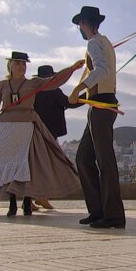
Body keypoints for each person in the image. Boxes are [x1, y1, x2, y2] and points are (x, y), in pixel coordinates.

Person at [0, 51, 84, 216]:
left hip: (27, 127)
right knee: (4, 164)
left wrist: (72, 69)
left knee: (29, 166)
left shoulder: (33, 83)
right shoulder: (2, 85)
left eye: (23, 64)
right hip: (5, 128)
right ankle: (12, 204)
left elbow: (53, 81)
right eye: (17, 63)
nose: (21, 66)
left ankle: (27, 202)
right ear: (10, 66)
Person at [68, 6, 126, 229]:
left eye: (80, 24)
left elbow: (101, 70)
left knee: (104, 161)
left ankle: (113, 215)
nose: (79, 28)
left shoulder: (93, 43)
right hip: (101, 104)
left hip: (101, 105)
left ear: (84, 23)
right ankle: (98, 210)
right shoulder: (105, 41)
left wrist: (77, 89)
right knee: (84, 157)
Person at [31, 64, 83, 210]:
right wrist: (88, 96)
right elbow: (69, 102)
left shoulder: (34, 92)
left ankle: (36, 197)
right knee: (47, 164)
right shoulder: (53, 91)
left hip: (34, 130)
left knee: (36, 164)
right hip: (49, 132)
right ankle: (40, 196)